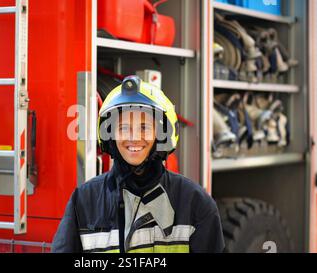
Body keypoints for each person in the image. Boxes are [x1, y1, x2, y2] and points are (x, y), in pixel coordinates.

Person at [52, 76, 224, 253]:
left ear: (161, 135)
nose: (134, 137)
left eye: (144, 127)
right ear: (110, 136)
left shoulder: (194, 201)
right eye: (124, 128)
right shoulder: (84, 201)